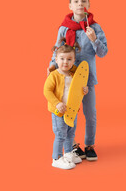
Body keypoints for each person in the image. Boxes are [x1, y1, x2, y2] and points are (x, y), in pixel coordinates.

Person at [47, 0, 108, 161]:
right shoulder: (64, 29)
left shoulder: (95, 27)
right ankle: (71, 145)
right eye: (76, 1)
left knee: (90, 113)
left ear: (88, 5)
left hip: (86, 80)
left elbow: (103, 53)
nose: (80, 4)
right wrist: (51, 65)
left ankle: (89, 145)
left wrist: (94, 39)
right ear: (70, 5)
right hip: (66, 79)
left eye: (83, 1)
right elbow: (57, 50)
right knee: (69, 113)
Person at [44, 38, 88, 169]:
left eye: (69, 59)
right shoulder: (54, 75)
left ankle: (68, 153)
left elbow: (77, 89)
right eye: (62, 59)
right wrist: (57, 103)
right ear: (56, 60)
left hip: (72, 111)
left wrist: (84, 90)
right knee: (60, 134)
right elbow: (47, 91)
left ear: (74, 61)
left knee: (70, 133)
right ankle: (56, 158)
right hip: (59, 112)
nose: (65, 62)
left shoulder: (74, 74)